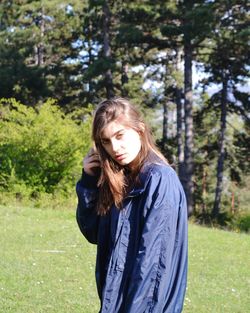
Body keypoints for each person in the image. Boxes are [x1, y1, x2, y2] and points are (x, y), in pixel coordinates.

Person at [76, 97, 188, 313]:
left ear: (140, 130)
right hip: (117, 301)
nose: (115, 148)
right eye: (106, 141)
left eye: (120, 135)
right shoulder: (120, 178)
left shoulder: (158, 180)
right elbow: (94, 233)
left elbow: (154, 265)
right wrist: (89, 182)